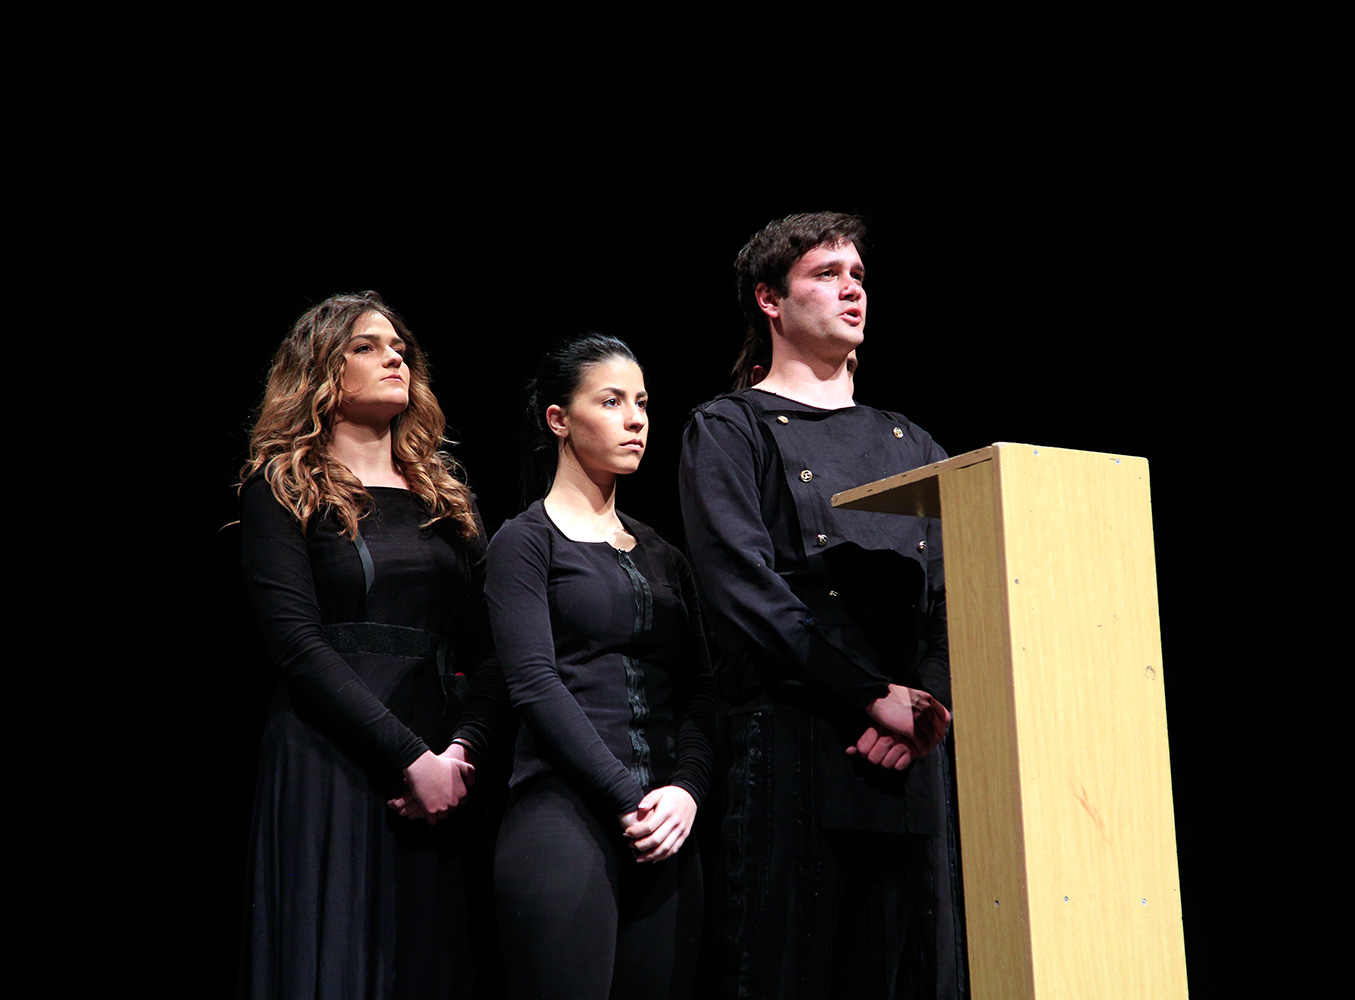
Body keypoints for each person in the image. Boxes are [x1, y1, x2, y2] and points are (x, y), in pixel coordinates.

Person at [679, 212, 965, 998]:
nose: (851, 290)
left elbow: (957, 594)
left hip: (912, 755)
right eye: (827, 274)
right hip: (795, 742)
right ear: (769, 299)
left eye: (859, 276)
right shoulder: (729, 427)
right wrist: (872, 696)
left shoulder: (915, 445)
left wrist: (927, 707)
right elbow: (742, 589)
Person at [237, 291, 505, 999]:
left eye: (400, 348)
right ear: (321, 369)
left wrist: (461, 753)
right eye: (366, 346)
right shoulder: (283, 487)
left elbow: (495, 645)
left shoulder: (446, 496)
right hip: (332, 759)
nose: (395, 358)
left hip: (443, 769)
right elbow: (296, 645)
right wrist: (410, 758)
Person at [484, 334, 717, 999]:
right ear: (559, 419)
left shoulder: (664, 554)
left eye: (641, 402)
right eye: (611, 401)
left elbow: (702, 691)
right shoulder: (525, 542)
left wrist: (686, 790)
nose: (635, 419)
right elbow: (533, 685)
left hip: (667, 826)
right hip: (566, 818)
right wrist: (626, 797)